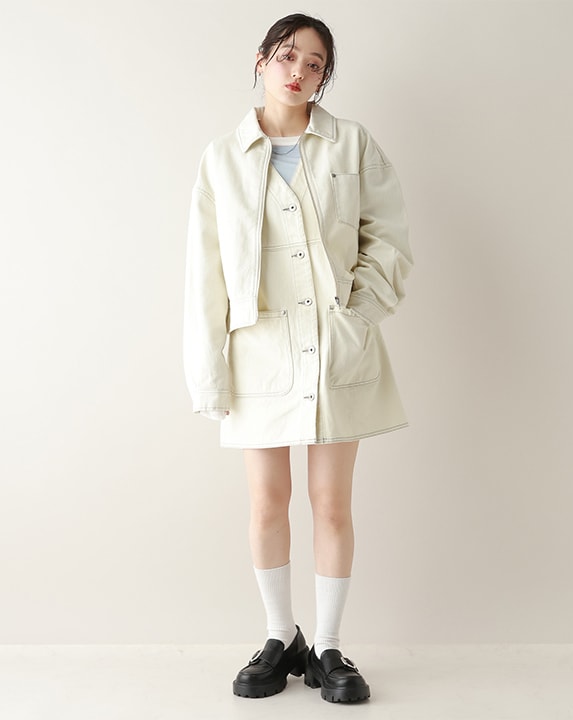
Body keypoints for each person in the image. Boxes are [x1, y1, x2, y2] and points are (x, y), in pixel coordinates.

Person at [183, 13, 413, 704]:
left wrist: (357, 315)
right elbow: (205, 274)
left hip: (334, 349)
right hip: (257, 356)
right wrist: (208, 375)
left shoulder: (353, 144)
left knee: (331, 503)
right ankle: (280, 637)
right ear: (261, 60)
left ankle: (330, 646)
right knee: (266, 503)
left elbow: (389, 238)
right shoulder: (222, 158)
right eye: (288, 56)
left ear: (324, 77)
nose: (298, 72)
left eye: (315, 64)